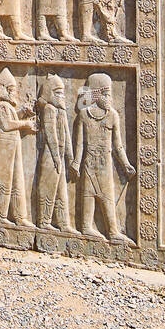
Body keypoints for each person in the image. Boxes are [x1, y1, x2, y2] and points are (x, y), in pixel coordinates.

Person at [71, 73, 134, 242]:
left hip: (105, 163)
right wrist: (76, 163)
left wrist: (126, 164)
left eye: (110, 95)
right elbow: (80, 143)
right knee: (88, 194)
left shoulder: (113, 115)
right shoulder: (84, 115)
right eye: (106, 94)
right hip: (89, 162)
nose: (109, 98)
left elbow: (118, 145)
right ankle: (86, 227)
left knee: (107, 196)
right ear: (96, 94)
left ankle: (112, 231)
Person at [0, 68, 36, 227]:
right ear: (5, 90)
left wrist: (23, 111)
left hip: (13, 144)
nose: (15, 93)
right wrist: (25, 123)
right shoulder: (2, 105)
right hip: (6, 145)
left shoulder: (7, 106)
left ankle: (19, 216)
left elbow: (12, 117)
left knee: (17, 180)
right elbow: (7, 124)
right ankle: (1, 215)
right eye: (12, 90)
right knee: (4, 180)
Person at [35, 74, 78, 233]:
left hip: (58, 156)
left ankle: (63, 223)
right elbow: (50, 134)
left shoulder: (60, 111)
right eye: (58, 93)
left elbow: (66, 137)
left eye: (63, 93)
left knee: (61, 192)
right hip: (50, 155)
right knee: (48, 188)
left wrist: (71, 159)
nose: (62, 96)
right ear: (50, 93)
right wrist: (56, 158)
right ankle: (44, 221)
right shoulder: (49, 109)